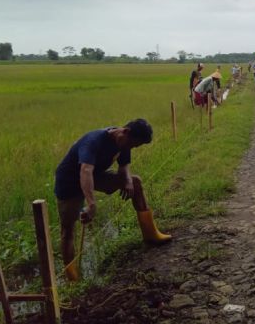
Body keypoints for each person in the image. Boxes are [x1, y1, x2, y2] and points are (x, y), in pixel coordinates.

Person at [54, 119, 171, 281]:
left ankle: (151, 234)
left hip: (95, 175)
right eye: (132, 144)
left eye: (135, 146)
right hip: (70, 182)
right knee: (68, 230)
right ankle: (71, 276)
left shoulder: (124, 142)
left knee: (135, 182)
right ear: (125, 132)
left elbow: (124, 167)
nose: (131, 148)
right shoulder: (93, 141)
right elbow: (85, 171)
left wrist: (128, 181)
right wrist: (91, 203)